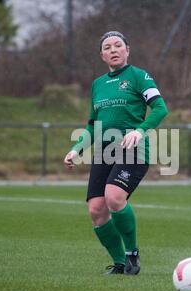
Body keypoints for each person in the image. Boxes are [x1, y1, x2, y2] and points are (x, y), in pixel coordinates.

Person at [64, 31, 169, 275]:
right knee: (96, 210)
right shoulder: (98, 84)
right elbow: (92, 124)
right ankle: (120, 263)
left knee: (113, 197)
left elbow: (160, 109)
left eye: (118, 45)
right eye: (108, 47)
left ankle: (133, 256)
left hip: (133, 149)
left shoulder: (138, 76)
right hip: (104, 151)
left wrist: (140, 131)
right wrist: (76, 149)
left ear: (127, 50)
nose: (113, 49)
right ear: (102, 55)